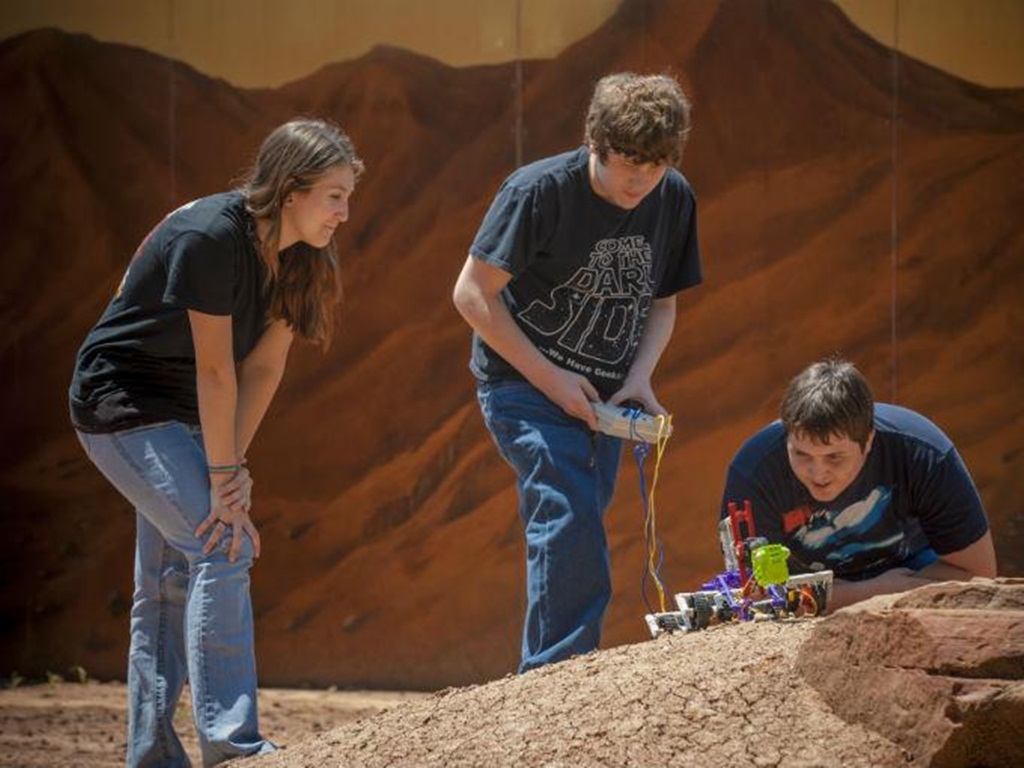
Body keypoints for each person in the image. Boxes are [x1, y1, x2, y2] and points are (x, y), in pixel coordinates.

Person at [69, 118, 363, 766]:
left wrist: (230, 471)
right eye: (335, 195)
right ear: (291, 189)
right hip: (124, 404)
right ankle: (234, 747)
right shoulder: (211, 236)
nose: (345, 212)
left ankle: (151, 755)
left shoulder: (306, 257)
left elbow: (261, 367)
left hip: (190, 411)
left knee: (172, 577)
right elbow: (214, 367)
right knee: (222, 545)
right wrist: (224, 482)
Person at [452, 72, 702, 672]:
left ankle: (547, 679)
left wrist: (640, 377)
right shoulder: (537, 191)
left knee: (578, 521)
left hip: (607, 394)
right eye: (628, 162)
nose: (642, 179)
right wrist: (551, 381)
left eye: (656, 164)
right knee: (568, 516)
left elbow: (663, 300)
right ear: (595, 142)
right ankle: (555, 676)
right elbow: (472, 294)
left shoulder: (673, 196)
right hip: (524, 383)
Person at [720, 357, 997, 612]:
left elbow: (978, 575)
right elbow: (757, 598)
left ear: (869, 440)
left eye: (835, 457)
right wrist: (877, 592)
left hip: (913, 569)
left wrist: (833, 597)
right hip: (832, 587)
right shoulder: (754, 472)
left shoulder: (922, 451)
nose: (818, 473)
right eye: (801, 454)